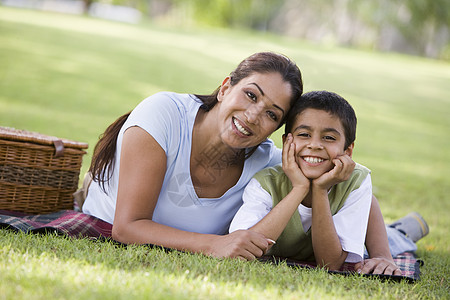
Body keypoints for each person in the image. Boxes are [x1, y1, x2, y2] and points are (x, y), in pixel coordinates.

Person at [81, 51, 419, 274]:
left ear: (278, 129)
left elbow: (356, 186)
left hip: (352, 225)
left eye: (272, 114)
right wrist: (215, 244)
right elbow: (127, 227)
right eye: (251, 95)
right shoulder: (164, 115)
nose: (254, 116)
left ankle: (398, 233)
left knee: (347, 222)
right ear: (226, 87)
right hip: (109, 213)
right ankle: (401, 231)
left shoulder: (266, 160)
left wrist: (384, 256)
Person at [229, 91, 429, 272]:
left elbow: (331, 264)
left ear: (347, 151)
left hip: (354, 235)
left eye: (329, 138)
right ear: (286, 142)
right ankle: (399, 228)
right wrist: (300, 188)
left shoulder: (356, 181)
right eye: (304, 134)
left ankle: (404, 230)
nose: (314, 145)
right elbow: (243, 247)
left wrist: (320, 189)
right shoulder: (265, 183)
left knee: (393, 241)